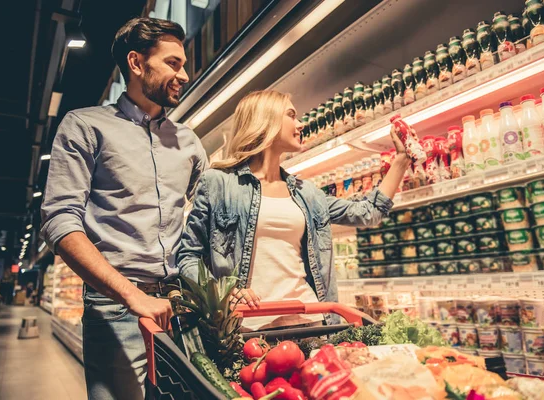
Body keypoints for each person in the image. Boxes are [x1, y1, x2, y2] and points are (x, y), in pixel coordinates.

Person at [40, 18, 208, 399]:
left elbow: (205, 224)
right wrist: (130, 295)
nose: (183, 74)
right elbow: (59, 221)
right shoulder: (85, 126)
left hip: (182, 306)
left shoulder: (189, 143)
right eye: (173, 63)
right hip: (116, 306)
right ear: (136, 63)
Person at [177, 90, 410, 331]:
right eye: (291, 115)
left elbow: (368, 212)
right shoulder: (218, 184)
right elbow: (188, 256)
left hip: (310, 319)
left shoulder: (306, 193)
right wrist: (221, 293)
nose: (300, 124)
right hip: (247, 326)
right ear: (265, 120)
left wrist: (402, 159)